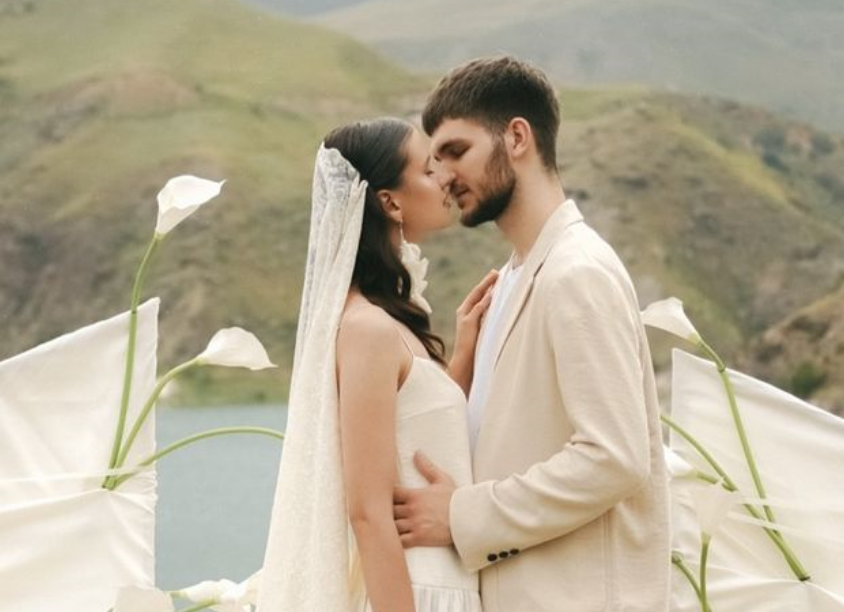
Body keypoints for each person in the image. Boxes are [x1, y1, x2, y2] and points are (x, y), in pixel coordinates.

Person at [391, 56, 671, 611]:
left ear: (517, 137)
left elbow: (614, 457)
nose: (444, 176)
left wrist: (462, 516)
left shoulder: (576, 272)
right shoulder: (513, 280)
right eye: (437, 159)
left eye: (456, 151)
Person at [256, 117, 494, 612]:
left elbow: (415, 434)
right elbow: (367, 511)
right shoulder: (366, 328)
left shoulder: (388, 321)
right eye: (428, 170)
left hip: (446, 584)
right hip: (415, 592)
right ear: (390, 202)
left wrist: (464, 353)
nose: (445, 178)